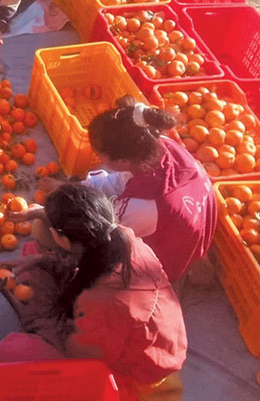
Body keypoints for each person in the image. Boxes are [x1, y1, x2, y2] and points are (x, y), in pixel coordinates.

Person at [0, 184, 187, 401]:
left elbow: (81, 356)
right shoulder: (120, 238)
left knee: (13, 350)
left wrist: (36, 315)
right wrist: (43, 246)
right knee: (33, 258)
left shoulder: (104, 304)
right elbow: (78, 253)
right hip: (130, 335)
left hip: (128, 376)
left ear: (62, 238)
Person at [21, 96, 216, 282]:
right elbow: (116, 183)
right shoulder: (156, 145)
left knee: (44, 231)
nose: (99, 160)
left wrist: (43, 213)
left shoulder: (144, 207)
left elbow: (98, 230)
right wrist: (70, 189)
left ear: (123, 160)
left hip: (162, 261)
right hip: (185, 232)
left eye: (100, 155)